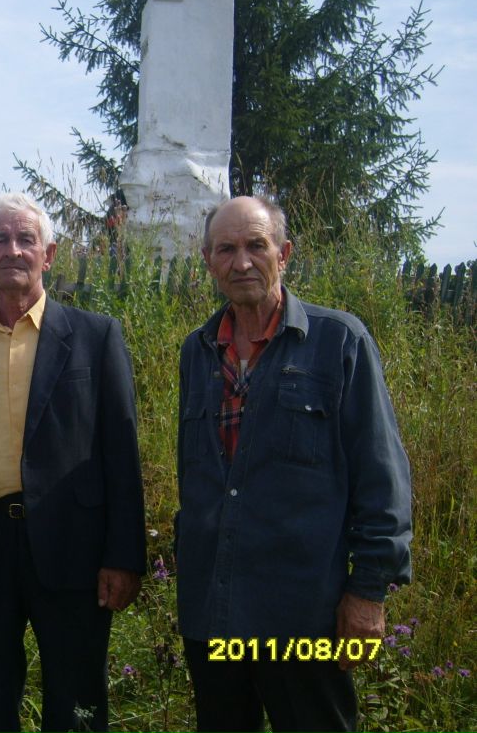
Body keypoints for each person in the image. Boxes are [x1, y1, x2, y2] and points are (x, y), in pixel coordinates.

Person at [176, 195, 413, 733]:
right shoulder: (197, 352)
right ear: (209, 262)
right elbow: (196, 480)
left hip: (303, 616)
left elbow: (382, 478)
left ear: (284, 253)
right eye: (226, 249)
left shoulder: (338, 341)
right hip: (215, 613)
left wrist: (368, 593)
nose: (242, 262)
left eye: (256, 246)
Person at [0, 192, 146, 733]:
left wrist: (123, 555)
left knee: (76, 704)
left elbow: (121, 451)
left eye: (27, 239)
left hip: (73, 547)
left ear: (49, 255)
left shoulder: (96, 337)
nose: (14, 250)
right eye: (0, 240)